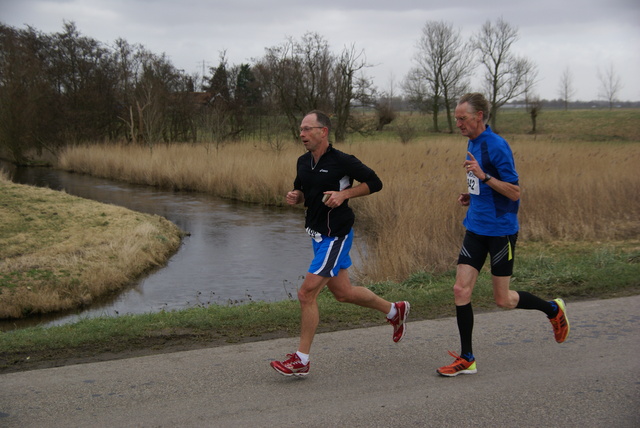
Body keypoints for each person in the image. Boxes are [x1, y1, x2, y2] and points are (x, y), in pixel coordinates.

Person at [437, 93, 570, 377]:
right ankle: (467, 358)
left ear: (479, 117)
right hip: (475, 227)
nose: (458, 123)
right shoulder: (472, 142)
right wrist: (472, 195)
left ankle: (552, 309)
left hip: (500, 232)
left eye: (463, 118)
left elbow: (514, 191)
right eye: (457, 118)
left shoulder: (497, 145)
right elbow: (486, 186)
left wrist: (484, 177)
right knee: (460, 290)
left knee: (503, 300)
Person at [270, 110, 410, 377]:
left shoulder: (343, 161)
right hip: (317, 234)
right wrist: (295, 195)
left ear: (323, 131)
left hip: (337, 235)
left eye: (307, 129)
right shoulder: (302, 162)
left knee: (306, 294)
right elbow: (303, 190)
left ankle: (301, 360)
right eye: (300, 129)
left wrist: (345, 194)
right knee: (343, 293)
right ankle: (395, 310)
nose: (302, 134)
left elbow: (375, 182)